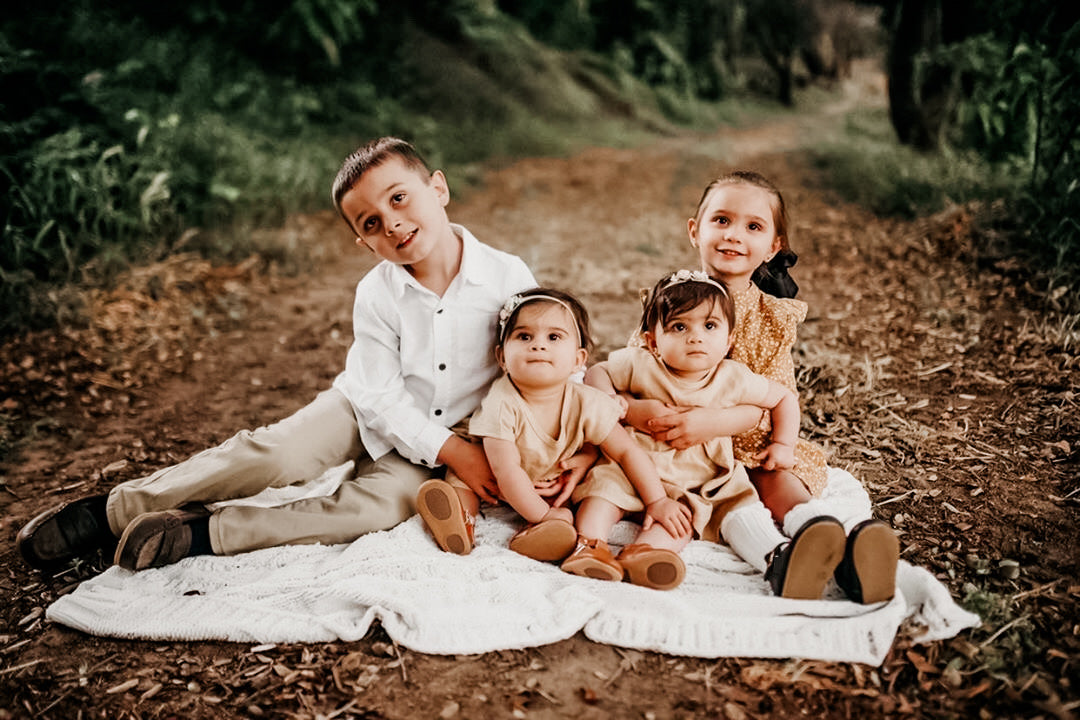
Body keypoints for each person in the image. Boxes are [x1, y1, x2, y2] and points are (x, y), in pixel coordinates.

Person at [16, 136, 541, 573]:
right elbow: (377, 393)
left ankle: (203, 531)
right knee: (276, 454)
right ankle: (112, 510)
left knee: (379, 508)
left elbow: (539, 368)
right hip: (362, 413)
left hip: (449, 443)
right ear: (363, 242)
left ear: (438, 188)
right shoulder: (377, 292)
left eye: (398, 199)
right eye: (371, 223)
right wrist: (451, 450)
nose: (391, 223)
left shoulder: (507, 276)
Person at [629, 170, 899, 603]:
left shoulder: (771, 318)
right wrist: (640, 413)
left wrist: (724, 425)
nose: (734, 235)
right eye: (721, 221)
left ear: (774, 246)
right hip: (681, 449)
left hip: (748, 447)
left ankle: (831, 541)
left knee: (775, 479)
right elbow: (632, 376)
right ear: (695, 231)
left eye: (753, 227)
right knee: (695, 494)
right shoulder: (669, 301)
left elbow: (775, 400)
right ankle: (791, 559)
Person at [574, 270, 844, 596]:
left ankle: (646, 554)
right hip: (633, 467)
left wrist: (783, 444)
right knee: (602, 493)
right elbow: (597, 371)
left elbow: (783, 397)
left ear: (729, 340)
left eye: (710, 326)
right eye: (679, 327)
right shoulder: (641, 364)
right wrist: (610, 399)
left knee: (691, 519)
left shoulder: (732, 376)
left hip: (700, 479)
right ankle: (589, 545)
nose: (695, 337)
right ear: (652, 340)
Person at [415, 288, 690, 570]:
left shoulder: (587, 401)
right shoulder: (501, 402)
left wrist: (657, 500)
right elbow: (506, 472)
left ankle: (538, 537)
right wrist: (542, 514)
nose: (538, 345)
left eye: (554, 337)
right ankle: (461, 520)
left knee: (567, 517)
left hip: (552, 482)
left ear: (579, 360)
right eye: (524, 336)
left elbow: (626, 452)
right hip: (493, 477)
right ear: (501, 357)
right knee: (461, 482)